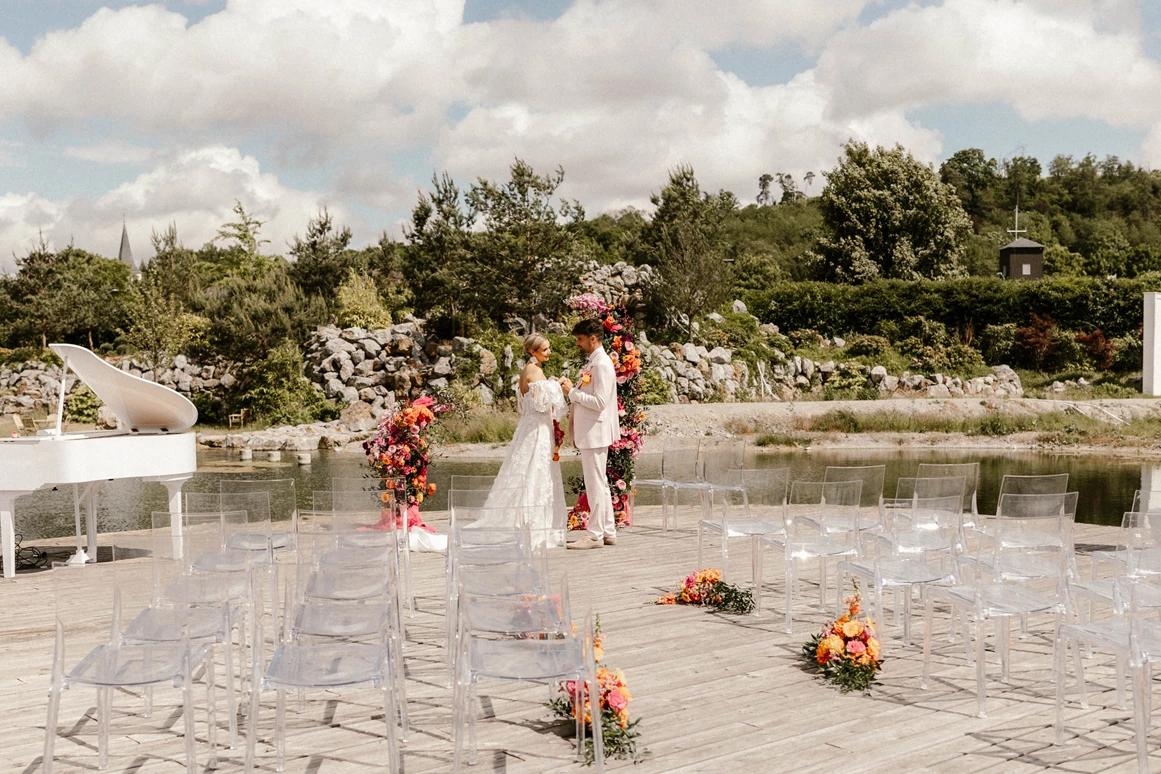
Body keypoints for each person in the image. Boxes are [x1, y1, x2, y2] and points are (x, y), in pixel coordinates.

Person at [476, 333, 568, 545]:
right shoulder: (534, 370)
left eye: (548, 348)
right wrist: (558, 384)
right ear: (531, 351)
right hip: (537, 429)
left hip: (532, 426)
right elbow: (540, 404)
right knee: (535, 470)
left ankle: (528, 519)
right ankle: (531, 523)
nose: (549, 352)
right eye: (545, 349)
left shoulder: (528, 370)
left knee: (529, 471)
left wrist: (551, 384)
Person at [560, 318, 620, 550]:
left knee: (595, 484)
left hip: (595, 430)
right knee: (600, 483)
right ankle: (608, 530)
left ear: (592, 339)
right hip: (592, 430)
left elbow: (600, 402)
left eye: (580, 339)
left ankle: (594, 534)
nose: (578, 343)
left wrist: (572, 393)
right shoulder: (595, 362)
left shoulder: (602, 364)